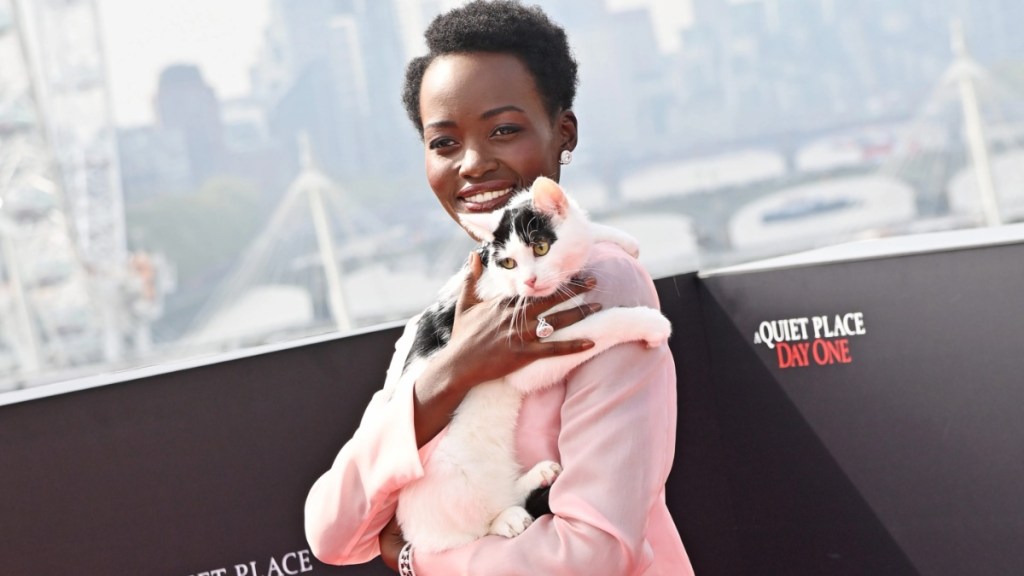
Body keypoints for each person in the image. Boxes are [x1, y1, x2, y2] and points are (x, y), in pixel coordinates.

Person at [304, 2, 694, 574]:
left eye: (504, 130)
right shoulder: (444, 314)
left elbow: (593, 552)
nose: (472, 163)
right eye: (444, 143)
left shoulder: (599, 288)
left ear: (563, 133)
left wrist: (419, 563)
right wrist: (451, 371)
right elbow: (332, 532)